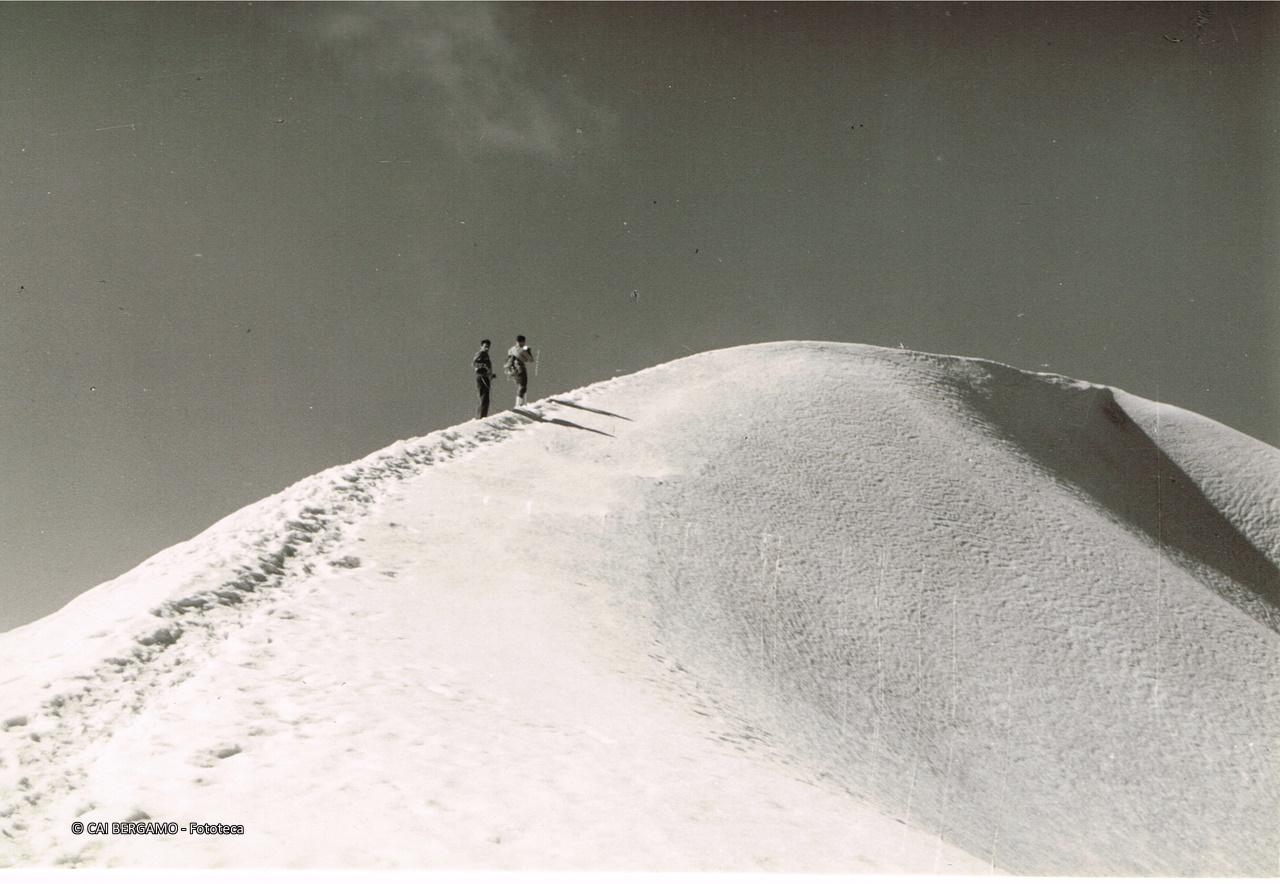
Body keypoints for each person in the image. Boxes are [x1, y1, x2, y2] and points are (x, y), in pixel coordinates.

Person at [505, 334, 535, 407]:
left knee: (519, 386)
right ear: (522, 342)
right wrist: (528, 351)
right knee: (523, 386)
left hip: (513, 370)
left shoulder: (511, 349)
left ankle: (519, 403)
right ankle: (519, 404)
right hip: (520, 369)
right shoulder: (522, 350)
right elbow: (531, 360)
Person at [472, 339, 494, 418]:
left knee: (485, 398)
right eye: (485, 346)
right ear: (481, 346)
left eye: (488, 347)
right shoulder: (481, 353)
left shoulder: (486, 355)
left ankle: (482, 415)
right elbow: (475, 363)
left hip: (485, 377)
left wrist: (490, 374)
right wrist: (483, 366)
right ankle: (481, 416)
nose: (487, 348)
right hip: (481, 376)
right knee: (483, 397)